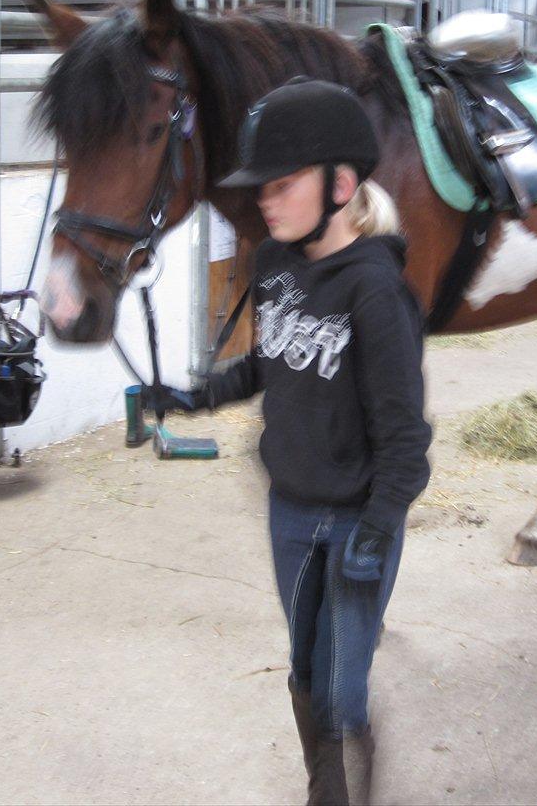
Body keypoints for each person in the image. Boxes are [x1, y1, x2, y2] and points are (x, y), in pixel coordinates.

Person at [170, 79, 432, 805]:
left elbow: (406, 437)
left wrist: (379, 529)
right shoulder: (274, 265)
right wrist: (198, 393)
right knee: (303, 672)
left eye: (282, 185)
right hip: (289, 508)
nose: (266, 200)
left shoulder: (376, 291)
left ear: (341, 184)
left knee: (342, 689)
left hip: (356, 518)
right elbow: (269, 360)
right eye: (262, 186)